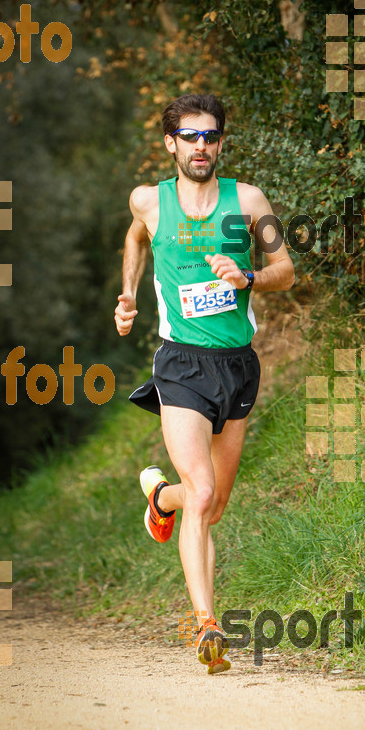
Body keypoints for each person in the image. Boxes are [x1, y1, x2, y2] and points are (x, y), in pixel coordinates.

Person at [114, 94, 294, 674]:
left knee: (210, 504)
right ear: (171, 144)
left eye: (210, 137)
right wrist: (129, 296)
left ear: (220, 142)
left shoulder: (248, 200)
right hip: (181, 364)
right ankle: (207, 626)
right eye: (189, 137)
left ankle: (158, 501)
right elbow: (136, 237)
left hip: (238, 365)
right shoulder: (150, 201)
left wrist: (248, 276)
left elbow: (286, 272)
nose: (201, 146)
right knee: (204, 491)